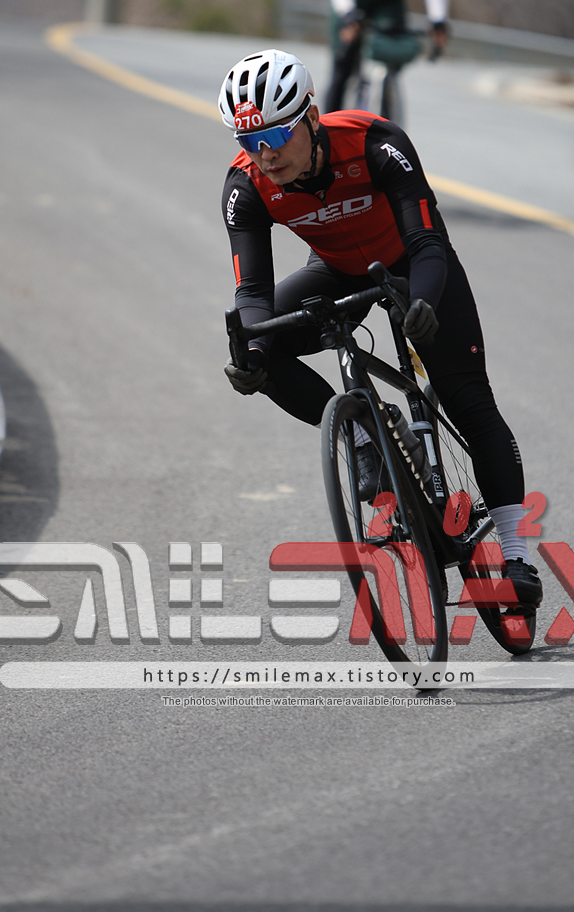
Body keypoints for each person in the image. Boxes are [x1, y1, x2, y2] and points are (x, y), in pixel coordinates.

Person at [217, 47, 542, 618]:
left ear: (311, 118)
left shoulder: (376, 143)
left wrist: (423, 302)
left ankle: (516, 557)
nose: (265, 154)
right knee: (258, 352)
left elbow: (428, 242)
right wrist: (254, 350)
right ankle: (366, 435)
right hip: (336, 269)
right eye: (250, 140)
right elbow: (253, 295)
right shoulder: (246, 187)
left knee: (467, 398)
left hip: (415, 266)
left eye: (276, 136)